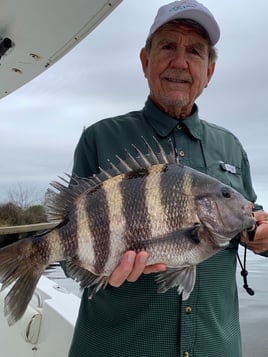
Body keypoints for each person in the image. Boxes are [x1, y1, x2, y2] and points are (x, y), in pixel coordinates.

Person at [68, 1, 268, 356]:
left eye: (195, 51)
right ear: (145, 61)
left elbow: (248, 215)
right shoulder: (99, 139)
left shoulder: (231, 146)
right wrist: (93, 268)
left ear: (210, 71)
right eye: (168, 46)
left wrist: (262, 236)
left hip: (215, 346)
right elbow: (73, 246)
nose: (180, 62)